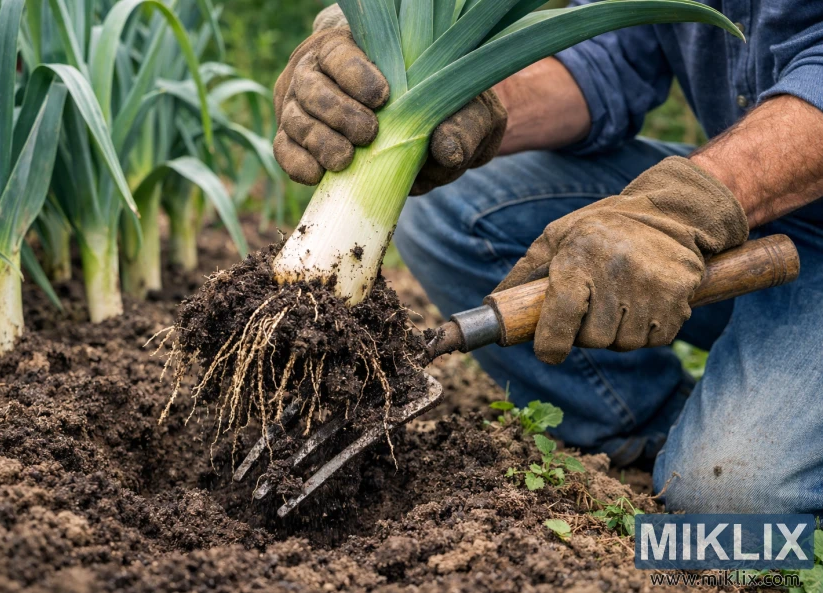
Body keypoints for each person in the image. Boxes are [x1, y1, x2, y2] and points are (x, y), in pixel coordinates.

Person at [272, 2, 823, 514]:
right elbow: (608, 58)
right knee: (450, 208)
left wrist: (684, 207)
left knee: (729, 504)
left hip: (769, 201)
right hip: (757, 207)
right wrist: (464, 102)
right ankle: (662, 421)